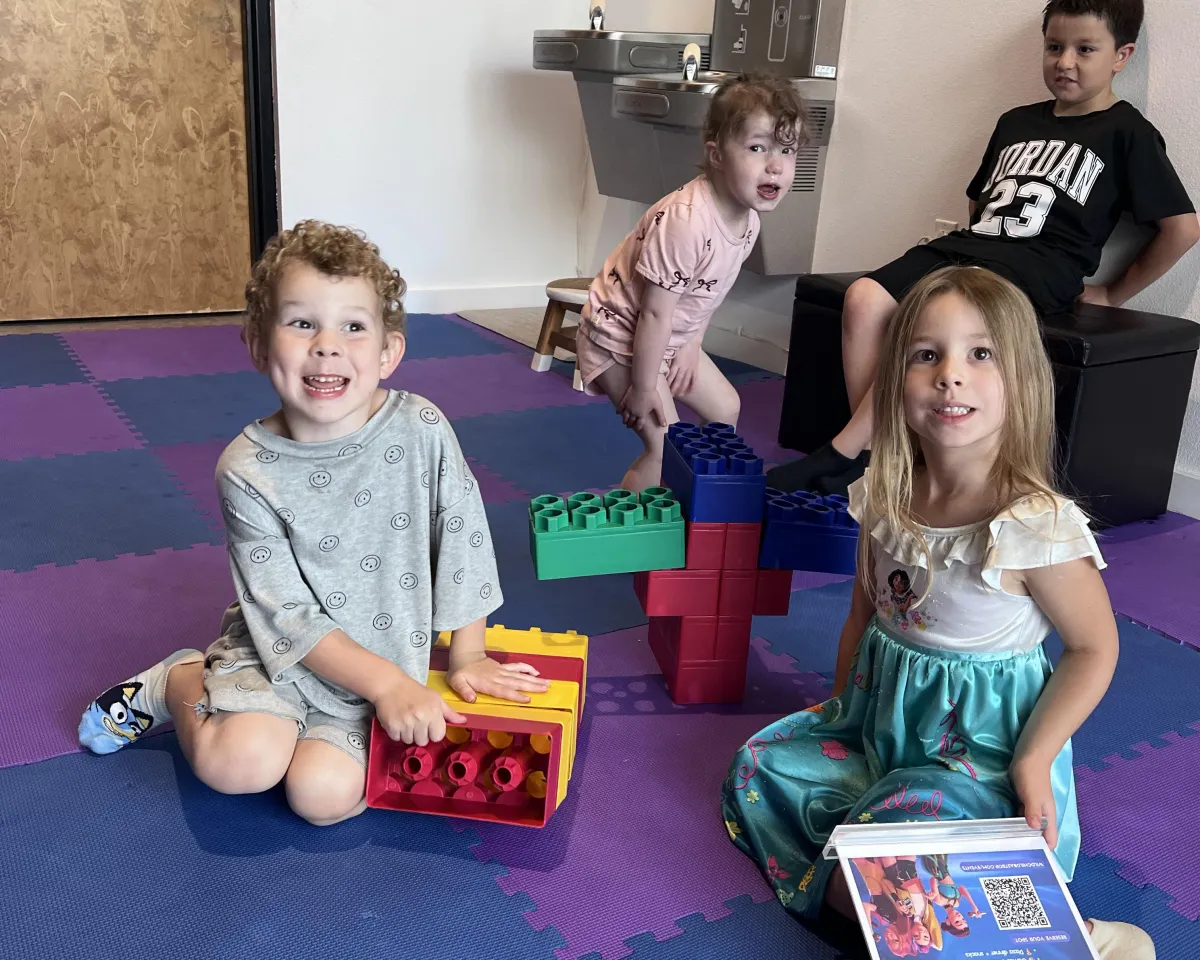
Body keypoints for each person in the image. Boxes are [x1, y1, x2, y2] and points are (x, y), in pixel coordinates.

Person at [722, 267, 1155, 958]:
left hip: (975, 761)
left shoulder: (1032, 525)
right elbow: (864, 616)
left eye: (981, 354)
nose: (950, 375)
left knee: (900, 849)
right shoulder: (884, 493)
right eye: (927, 354)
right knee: (760, 767)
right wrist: (840, 709)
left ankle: (1073, 935)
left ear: (1022, 379)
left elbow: (1094, 648)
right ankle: (906, 904)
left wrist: (1035, 760)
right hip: (880, 730)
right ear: (895, 379)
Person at [79, 221, 548, 824]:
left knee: (321, 800)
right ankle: (176, 680)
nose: (327, 345)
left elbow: (463, 539)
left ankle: (308, 737)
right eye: (302, 323)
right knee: (241, 765)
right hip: (277, 654)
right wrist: (387, 686)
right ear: (259, 345)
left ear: (388, 352)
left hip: (383, 661)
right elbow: (286, 615)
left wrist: (468, 655)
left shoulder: (422, 429)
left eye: (352, 326)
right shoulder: (246, 470)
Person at [768, 0, 1199, 497]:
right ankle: (887, 451)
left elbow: (1182, 229)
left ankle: (846, 453)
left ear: (1121, 56)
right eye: (1054, 47)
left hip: (1042, 265)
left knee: (937, 313)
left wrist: (1112, 293)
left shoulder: (1128, 133)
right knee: (864, 297)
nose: (1065, 62)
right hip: (974, 246)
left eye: (1085, 50)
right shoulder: (1016, 121)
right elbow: (979, 200)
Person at [576, 72, 805, 492]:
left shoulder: (748, 222)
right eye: (757, 148)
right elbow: (654, 312)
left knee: (725, 409)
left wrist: (691, 343)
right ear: (716, 155)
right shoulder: (687, 222)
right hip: (618, 335)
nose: (775, 165)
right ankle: (627, 525)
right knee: (665, 445)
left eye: (787, 150)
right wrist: (644, 387)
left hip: (668, 335)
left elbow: (707, 295)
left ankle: (694, 507)